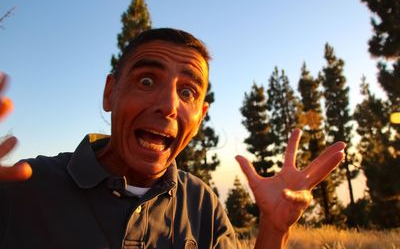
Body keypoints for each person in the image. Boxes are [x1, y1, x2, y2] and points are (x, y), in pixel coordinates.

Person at [0, 28, 345, 248]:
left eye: (188, 92)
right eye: (147, 81)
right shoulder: (25, 187)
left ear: (199, 119)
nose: (168, 105)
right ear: (110, 93)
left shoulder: (202, 204)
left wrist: (273, 229)